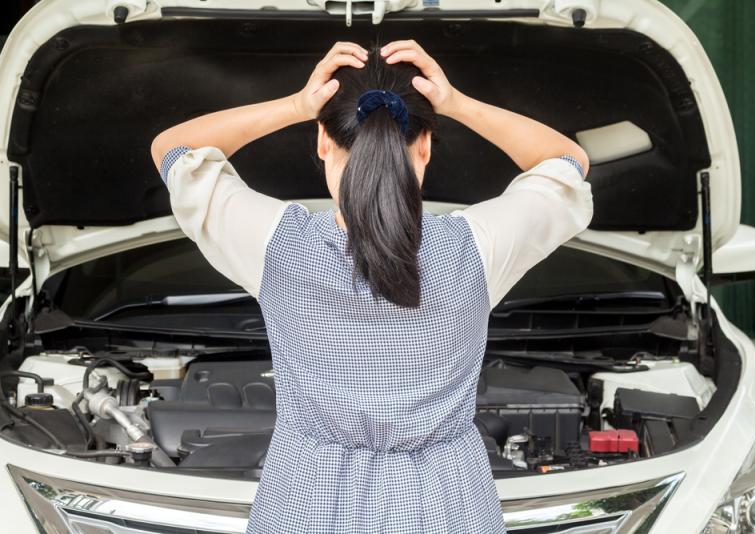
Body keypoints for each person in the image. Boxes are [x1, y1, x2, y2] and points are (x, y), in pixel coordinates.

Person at [151, 40, 592, 534]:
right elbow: (566, 164)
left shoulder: (276, 244)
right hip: (446, 505)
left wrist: (297, 104)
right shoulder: (476, 248)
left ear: (322, 142)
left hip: (307, 503)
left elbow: (174, 151)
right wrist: (456, 103)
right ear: (424, 147)